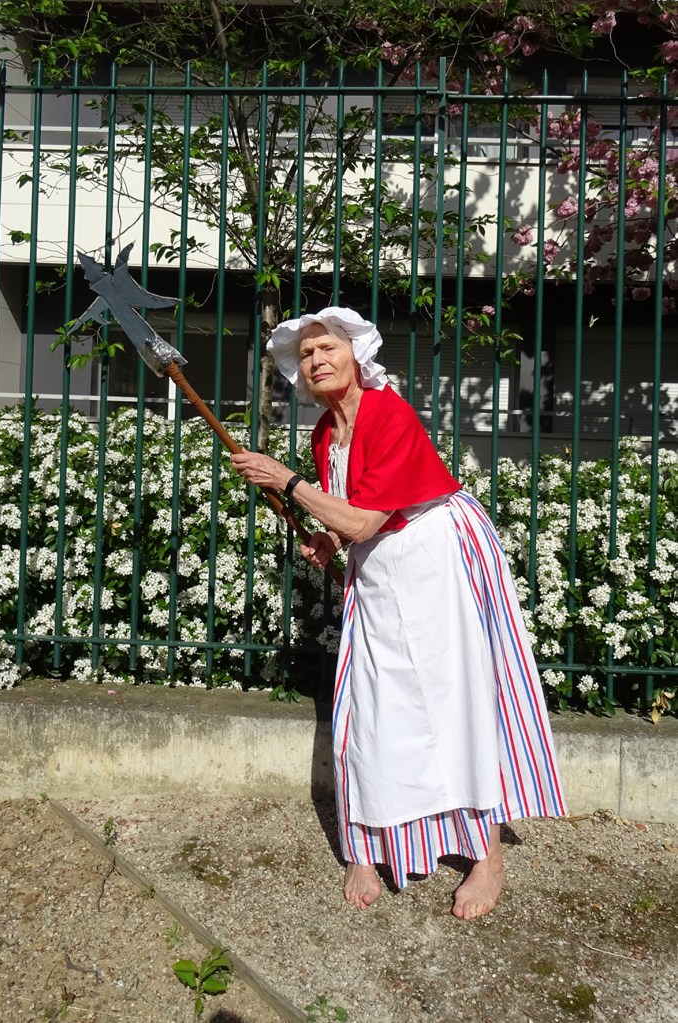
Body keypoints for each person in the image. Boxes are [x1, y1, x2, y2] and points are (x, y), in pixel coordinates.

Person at [231, 306, 567, 921]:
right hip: (380, 567)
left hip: (436, 561)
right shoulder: (325, 433)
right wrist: (328, 539)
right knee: (371, 701)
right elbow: (355, 514)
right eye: (306, 355)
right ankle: (369, 843)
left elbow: (365, 519)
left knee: (453, 703)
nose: (317, 360)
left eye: (328, 348)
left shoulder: (389, 414)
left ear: (355, 354)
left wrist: (288, 484)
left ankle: (486, 855)